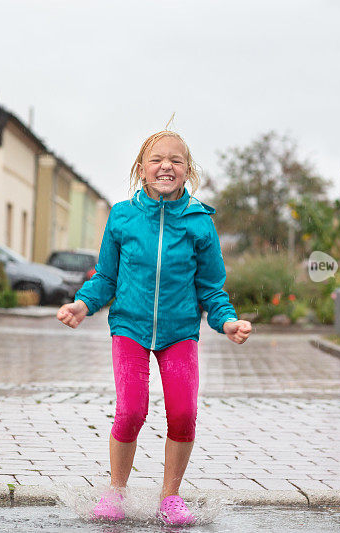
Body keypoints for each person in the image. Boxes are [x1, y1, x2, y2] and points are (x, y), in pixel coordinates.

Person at [57, 130, 252, 526]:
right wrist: (83, 303)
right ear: (142, 170)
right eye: (157, 159)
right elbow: (106, 278)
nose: (166, 166)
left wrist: (227, 320)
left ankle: (171, 497)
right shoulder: (123, 216)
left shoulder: (199, 223)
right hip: (129, 326)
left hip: (180, 332)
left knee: (183, 412)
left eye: (176, 160)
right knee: (131, 409)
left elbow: (211, 288)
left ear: (187, 171)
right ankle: (115, 492)